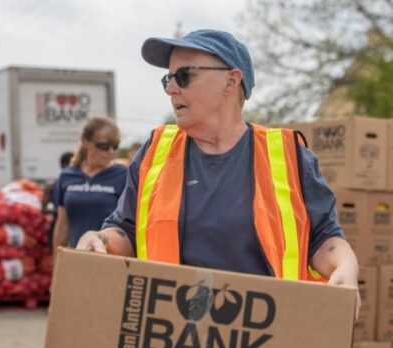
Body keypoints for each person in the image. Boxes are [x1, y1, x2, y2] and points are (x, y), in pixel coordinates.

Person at [76, 29, 359, 308]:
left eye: (183, 76)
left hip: (264, 328)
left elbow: (324, 239)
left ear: (231, 81)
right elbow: (125, 230)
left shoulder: (288, 155)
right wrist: (100, 239)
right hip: (170, 326)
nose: (171, 89)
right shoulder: (155, 151)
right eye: (167, 79)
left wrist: (346, 267)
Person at [53, 116, 127, 249]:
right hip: (77, 253)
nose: (111, 152)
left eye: (115, 146)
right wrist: (57, 259)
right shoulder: (67, 176)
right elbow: (62, 226)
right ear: (85, 142)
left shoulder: (124, 175)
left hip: (108, 256)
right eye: (104, 146)